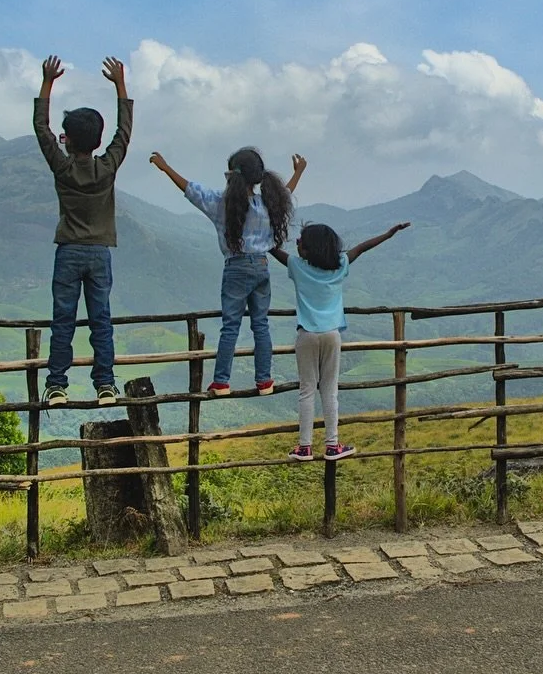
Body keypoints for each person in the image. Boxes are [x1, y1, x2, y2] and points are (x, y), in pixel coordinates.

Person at [149, 148, 304, 396]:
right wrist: (299, 172)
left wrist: (166, 168)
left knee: (231, 326)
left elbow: (191, 190)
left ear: (231, 175)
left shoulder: (221, 204)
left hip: (236, 267)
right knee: (261, 325)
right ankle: (265, 380)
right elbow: (286, 193)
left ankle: (221, 382)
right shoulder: (268, 203)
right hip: (262, 266)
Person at [34, 55, 132, 406]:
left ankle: (57, 385)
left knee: (63, 320)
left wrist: (48, 82)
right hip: (100, 252)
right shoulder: (107, 168)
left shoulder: (62, 169)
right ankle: (105, 384)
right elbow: (124, 133)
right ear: (97, 141)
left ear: (68, 141)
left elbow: (41, 128)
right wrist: (120, 85)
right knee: (100, 319)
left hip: (69, 251)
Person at [271, 221, 410, 460]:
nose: (297, 243)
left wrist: (255, 230)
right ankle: (332, 445)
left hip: (306, 335)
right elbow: (362, 248)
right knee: (329, 390)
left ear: (309, 248)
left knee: (307, 389)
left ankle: (304, 447)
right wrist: (388, 234)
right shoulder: (340, 265)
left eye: (301, 241)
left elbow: (273, 250)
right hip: (332, 335)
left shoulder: (296, 265)